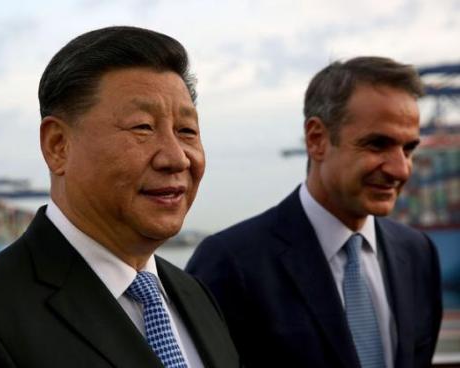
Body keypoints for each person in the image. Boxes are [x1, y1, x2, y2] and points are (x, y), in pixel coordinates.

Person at [0, 26, 240, 368]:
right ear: (58, 146)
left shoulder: (195, 296)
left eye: (187, 131)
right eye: (142, 127)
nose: (176, 157)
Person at [187, 56, 442, 368]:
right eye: (377, 144)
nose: (400, 169)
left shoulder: (417, 254)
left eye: (408, 149)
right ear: (316, 139)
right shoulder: (230, 263)